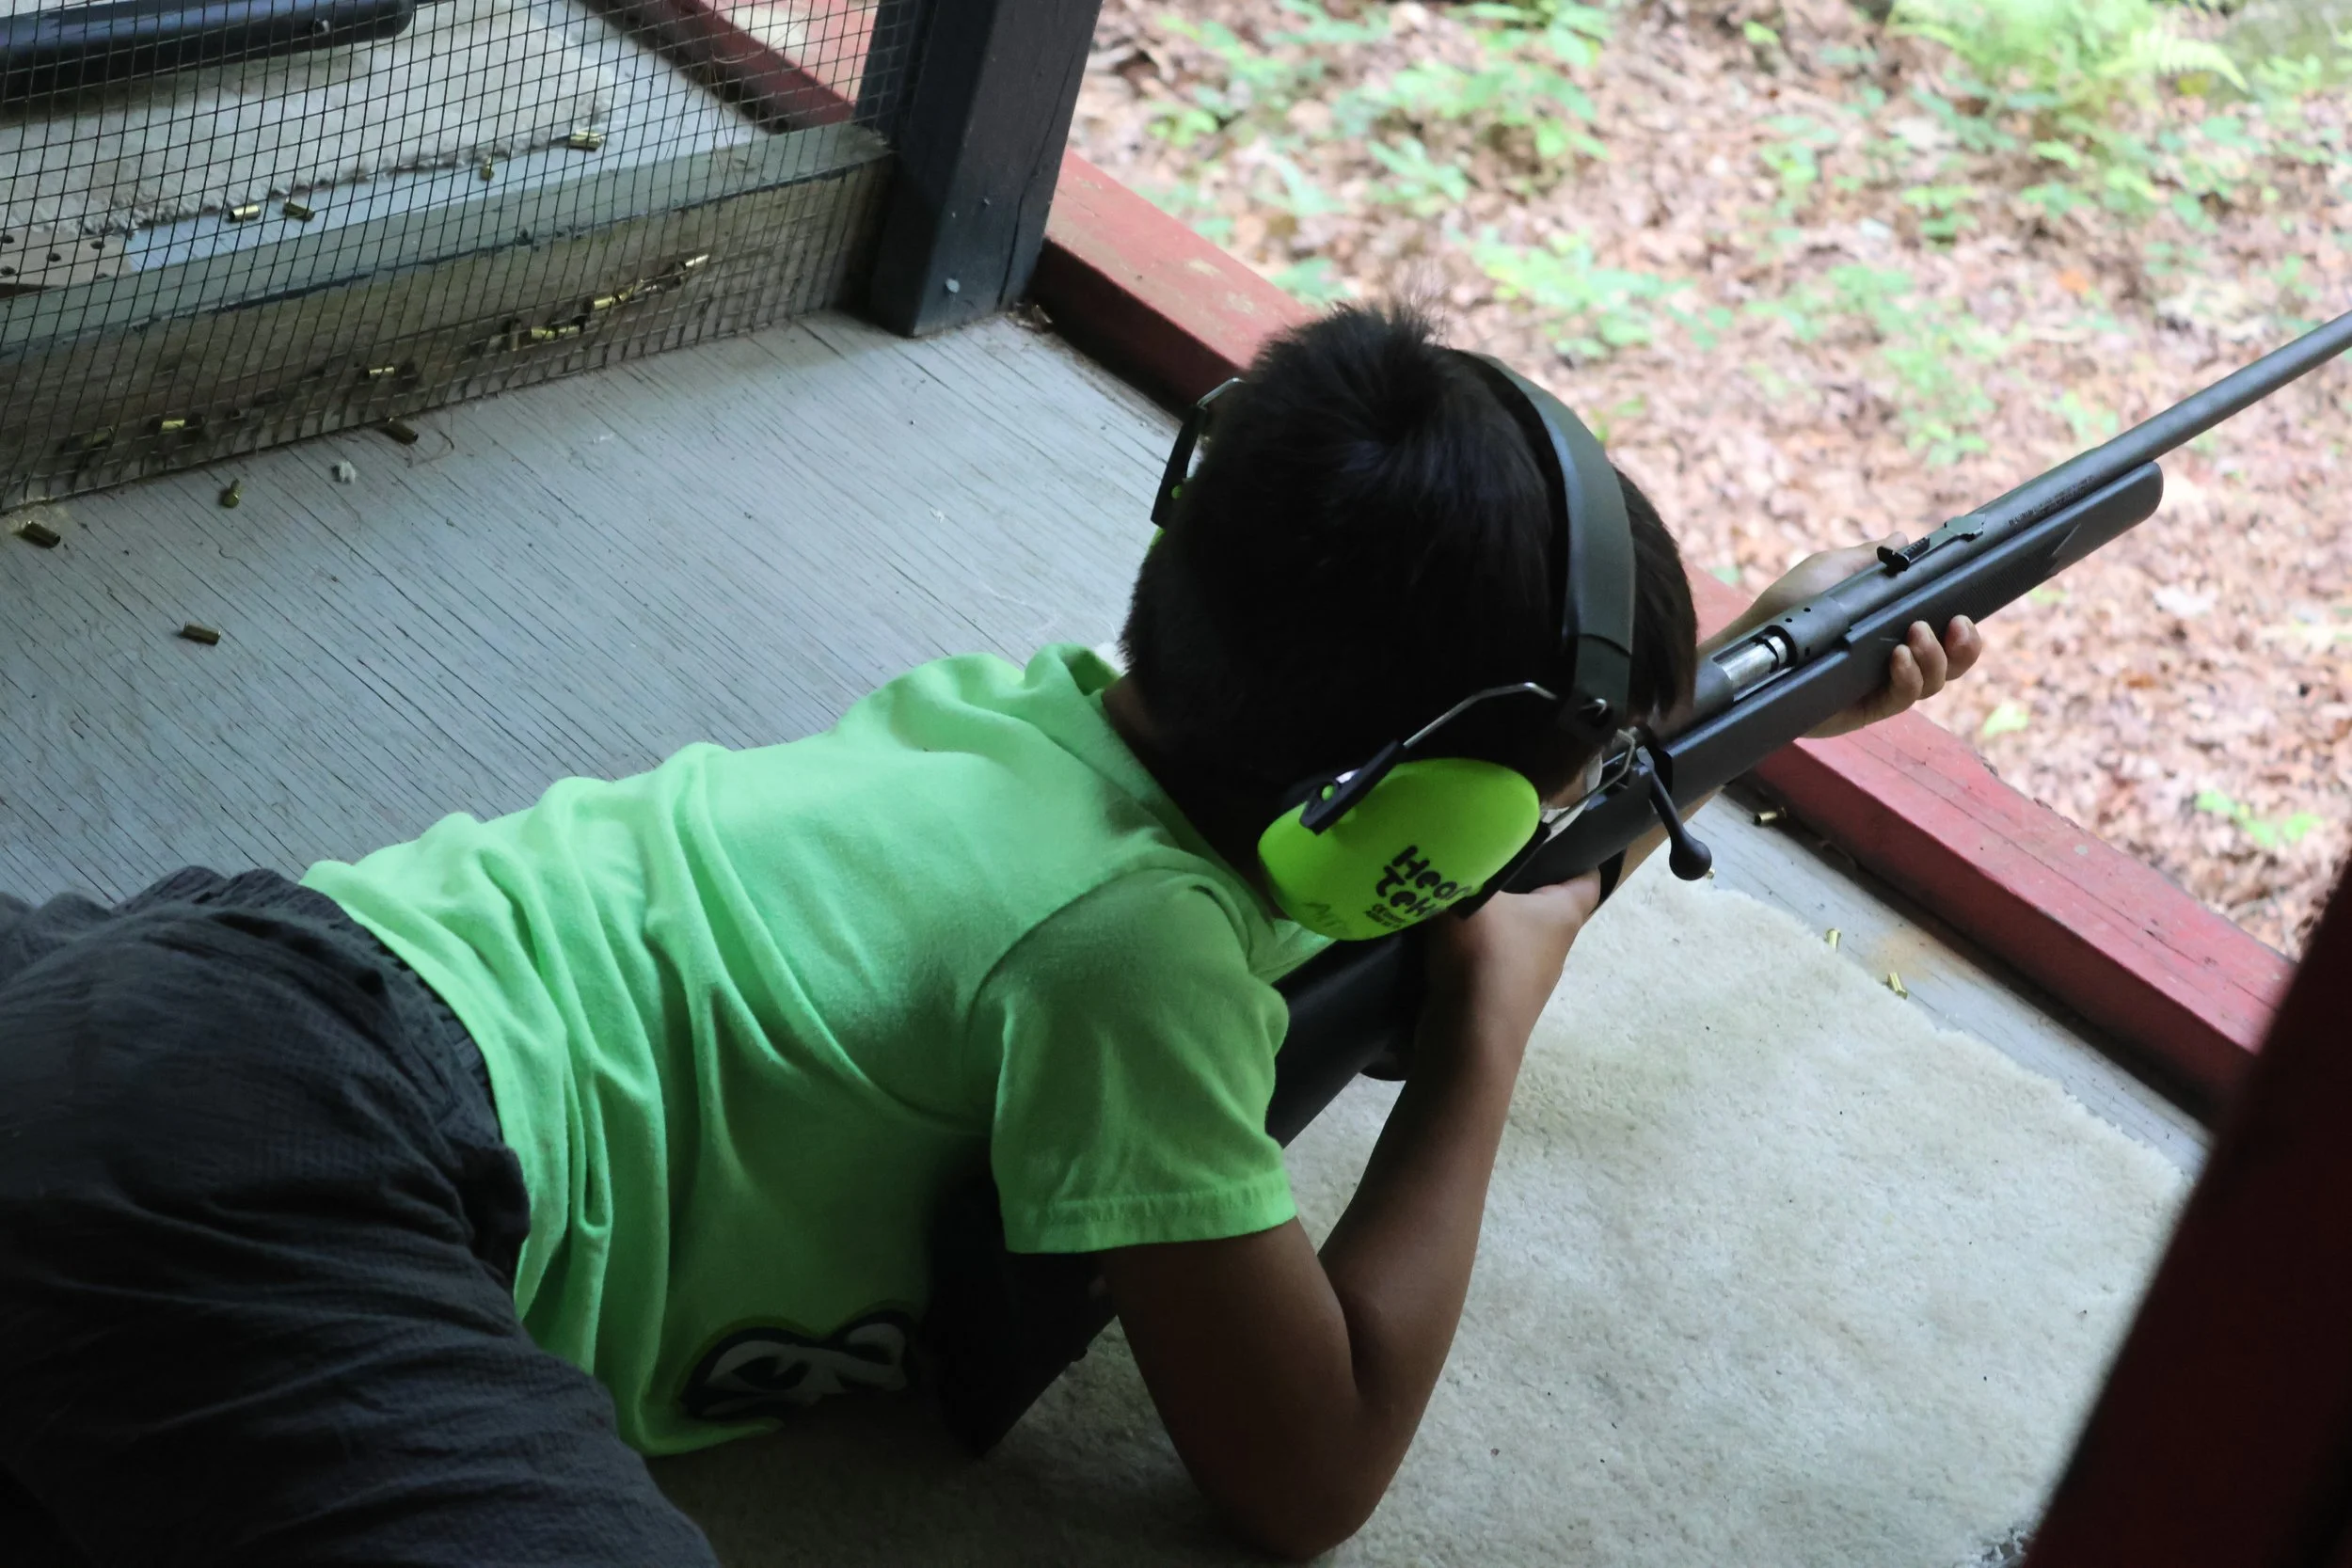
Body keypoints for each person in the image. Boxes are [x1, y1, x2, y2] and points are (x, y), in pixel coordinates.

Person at [0, 304, 1980, 1566]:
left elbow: (1412, 872)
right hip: (324, 1174)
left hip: (218, 981)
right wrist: (1482, 1044)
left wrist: (1751, 682)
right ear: (1426, 826)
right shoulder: (1134, 970)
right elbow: (1310, 1470)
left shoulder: (1024, 721)